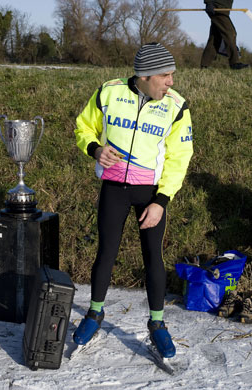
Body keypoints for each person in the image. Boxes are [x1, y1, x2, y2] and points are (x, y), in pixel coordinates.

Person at [72, 42, 194, 358]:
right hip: (114, 188)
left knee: (153, 256)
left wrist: (162, 201)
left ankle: (157, 325)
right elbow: (84, 127)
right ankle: (95, 313)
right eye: (165, 75)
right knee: (106, 252)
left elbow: (180, 158)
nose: (170, 82)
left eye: (172, 75)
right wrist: (95, 149)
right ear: (145, 76)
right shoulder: (109, 92)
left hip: (150, 195)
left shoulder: (176, 106)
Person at [201, 0, 248, 69]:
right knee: (230, 33)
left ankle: (205, 65)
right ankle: (234, 62)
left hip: (222, 9)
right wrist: (209, 3)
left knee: (215, 37)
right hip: (217, 8)